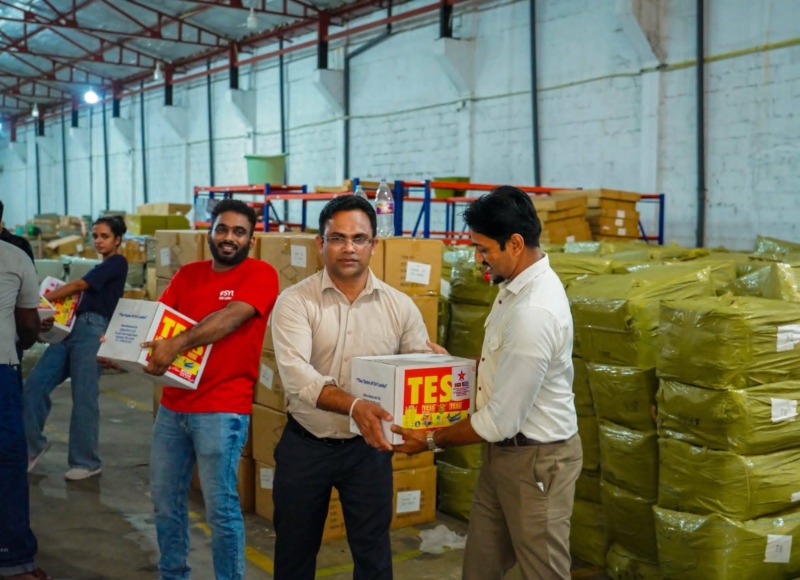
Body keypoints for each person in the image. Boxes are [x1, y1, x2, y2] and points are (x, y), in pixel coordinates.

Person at [391, 186, 582, 580]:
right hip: (502, 455)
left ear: (515, 244)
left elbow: (499, 421)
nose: (478, 258)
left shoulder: (534, 312)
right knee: (480, 566)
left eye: (483, 249)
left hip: (536, 462)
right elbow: (503, 363)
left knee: (543, 571)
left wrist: (428, 440)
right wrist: (454, 369)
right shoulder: (513, 288)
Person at [270, 195, 437, 580]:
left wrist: (436, 366)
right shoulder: (295, 302)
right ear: (321, 243)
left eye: (359, 238)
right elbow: (297, 376)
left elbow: (415, 367)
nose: (349, 248)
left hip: (368, 450)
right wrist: (354, 406)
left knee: (373, 555)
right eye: (338, 238)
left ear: (374, 245)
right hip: (306, 445)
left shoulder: (400, 306)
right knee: (294, 553)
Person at [145, 199, 278, 580]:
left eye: (239, 231)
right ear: (210, 232)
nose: (228, 237)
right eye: (222, 229)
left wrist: (176, 343)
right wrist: (125, 343)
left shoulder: (261, 274)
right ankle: (173, 574)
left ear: (251, 240)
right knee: (165, 502)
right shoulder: (187, 275)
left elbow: (229, 319)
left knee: (221, 509)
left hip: (222, 409)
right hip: (173, 407)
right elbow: (158, 324)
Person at [24, 216, 129, 481]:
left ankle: (87, 461)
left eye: (104, 236)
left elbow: (79, 285)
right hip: (69, 330)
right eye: (95, 236)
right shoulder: (99, 266)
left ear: (117, 239)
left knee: (84, 396)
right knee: (34, 384)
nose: (98, 241)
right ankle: (32, 446)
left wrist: (39, 300)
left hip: (92, 332)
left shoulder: (117, 263)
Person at [0, 240, 51, 580]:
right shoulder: (14, 257)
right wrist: (22, 341)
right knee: (6, 463)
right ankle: (13, 560)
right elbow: (30, 325)